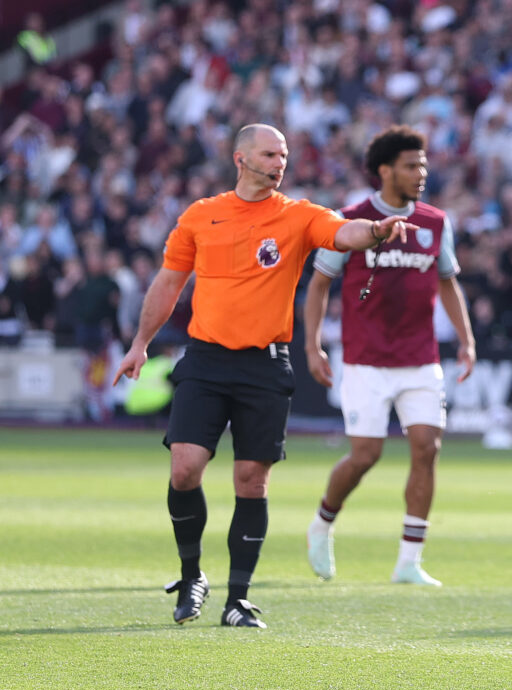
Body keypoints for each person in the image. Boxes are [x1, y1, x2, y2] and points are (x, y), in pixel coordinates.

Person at [112, 123, 417, 628]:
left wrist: (376, 230)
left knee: (251, 481)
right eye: (271, 154)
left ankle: (238, 599)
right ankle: (192, 576)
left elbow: (343, 232)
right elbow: (168, 283)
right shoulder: (201, 215)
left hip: (264, 363)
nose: (281, 162)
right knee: (184, 469)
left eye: (285, 155)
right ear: (241, 158)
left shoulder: (298, 215)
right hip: (206, 360)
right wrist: (140, 344)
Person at [304, 125, 475, 585]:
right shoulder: (351, 219)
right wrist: (312, 343)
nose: (421, 173)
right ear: (385, 171)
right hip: (364, 360)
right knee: (365, 455)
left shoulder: (436, 222)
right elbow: (319, 283)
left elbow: (447, 282)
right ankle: (322, 523)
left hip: (420, 359)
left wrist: (466, 339)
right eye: (410, 165)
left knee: (427, 447)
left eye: (423, 165)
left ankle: (409, 561)